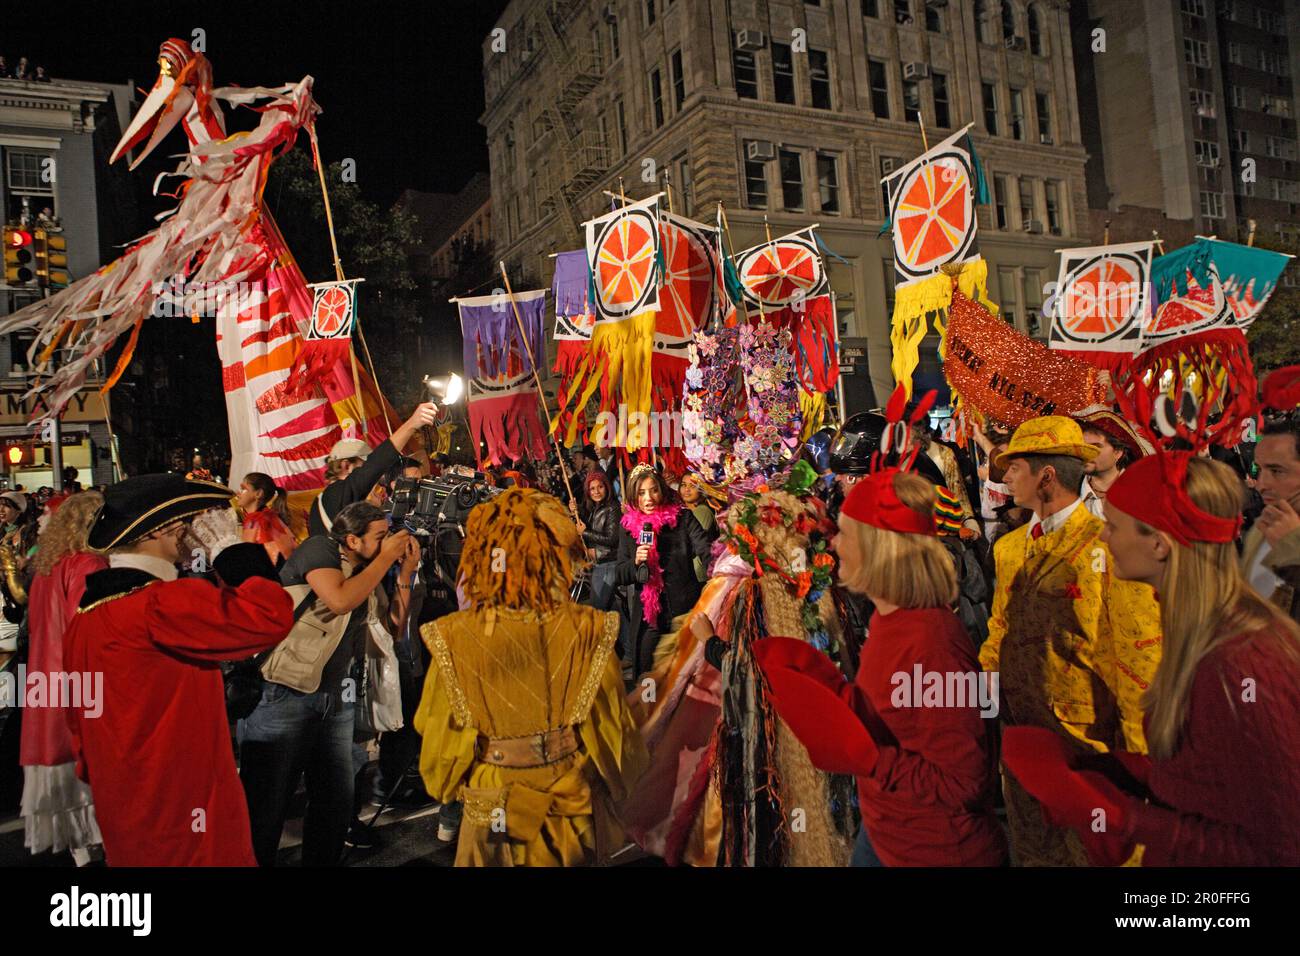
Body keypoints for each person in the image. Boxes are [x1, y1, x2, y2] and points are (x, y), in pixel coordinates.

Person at [1004, 452, 1300, 865]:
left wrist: (1123, 817)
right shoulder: (1199, 631)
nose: (1103, 538)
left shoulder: (1239, 661)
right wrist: (1113, 772)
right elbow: (1213, 775)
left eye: (1113, 526)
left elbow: (1277, 848)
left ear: (1159, 543)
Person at [755, 467, 1007, 866]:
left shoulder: (933, 643)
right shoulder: (888, 620)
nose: (834, 544)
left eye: (845, 533)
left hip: (932, 852)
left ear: (878, 549)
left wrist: (869, 757)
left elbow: (966, 783)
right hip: (887, 833)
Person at [62, 474, 294, 866]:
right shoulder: (160, 603)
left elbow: (78, 726)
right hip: (185, 804)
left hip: (122, 803)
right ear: (164, 530)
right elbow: (270, 616)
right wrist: (230, 549)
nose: (190, 535)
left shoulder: (84, 619)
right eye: (183, 525)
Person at [414, 487, 648, 866]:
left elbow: (441, 741)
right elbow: (613, 734)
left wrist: (454, 783)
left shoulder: (456, 636)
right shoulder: (585, 629)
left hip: (493, 799)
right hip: (564, 802)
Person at [978, 416, 1162, 866]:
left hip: (1087, 748)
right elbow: (998, 630)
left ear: (1047, 475)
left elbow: (1138, 657)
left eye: (1015, 468)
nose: (1005, 478)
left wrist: (1145, 769)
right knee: (1034, 853)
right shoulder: (1009, 548)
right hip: (1023, 746)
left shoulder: (1106, 546)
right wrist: (985, 706)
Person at [239, 501, 419, 866]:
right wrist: (385, 561)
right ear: (352, 539)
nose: (388, 545)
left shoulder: (369, 571)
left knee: (335, 799)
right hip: (284, 691)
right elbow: (338, 600)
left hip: (336, 696)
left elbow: (394, 628)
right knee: (268, 802)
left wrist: (406, 572)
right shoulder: (319, 548)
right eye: (380, 537)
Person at [20, 492, 107, 865]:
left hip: (45, 676)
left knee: (60, 762)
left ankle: (80, 852)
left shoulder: (49, 564)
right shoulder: (89, 563)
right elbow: (90, 627)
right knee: (91, 764)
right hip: (80, 678)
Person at [614, 464, 715, 681]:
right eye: (641, 493)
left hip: (684, 609)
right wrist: (635, 562)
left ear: (662, 490)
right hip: (649, 618)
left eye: (653, 490)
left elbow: (707, 552)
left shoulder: (684, 519)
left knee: (687, 677)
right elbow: (619, 573)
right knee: (647, 677)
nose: (648, 498)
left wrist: (722, 574)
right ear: (633, 495)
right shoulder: (626, 528)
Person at [308, 403, 438, 536]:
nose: (374, 480)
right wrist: (412, 423)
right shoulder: (335, 494)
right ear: (345, 466)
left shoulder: (323, 504)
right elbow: (377, 464)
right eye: (362, 466)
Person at [1241, 417, 1300, 623]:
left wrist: (1292, 547)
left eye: (1277, 471)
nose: (1261, 485)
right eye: (1260, 469)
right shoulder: (1261, 527)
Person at [1076, 408, 1151, 520]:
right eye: (1082, 446)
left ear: (1118, 452)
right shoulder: (1064, 489)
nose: (1085, 452)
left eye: (1095, 447)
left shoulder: (1143, 494)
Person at [579, 468, 620, 611]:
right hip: (598, 563)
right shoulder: (594, 509)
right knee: (613, 609)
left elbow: (612, 538)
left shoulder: (613, 508)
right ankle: (626, 634)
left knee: (598, 607)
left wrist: (585, 533)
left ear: (607, 488)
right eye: (592, 489)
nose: (596, 492)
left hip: (609, 563)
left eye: (600, 487)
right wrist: (575, 512)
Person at [236, 472, 296, 567]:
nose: (238, 493)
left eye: (243, 489)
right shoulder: (270, 515)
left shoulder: (255, 520)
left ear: (258, 494)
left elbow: (248, 556)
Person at [678, 473, 722, 582]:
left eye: (692, 486)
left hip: (699, 575)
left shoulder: (703, 511)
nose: (687, 489)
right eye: (684, 485)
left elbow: (692, 542)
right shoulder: (684, 512)